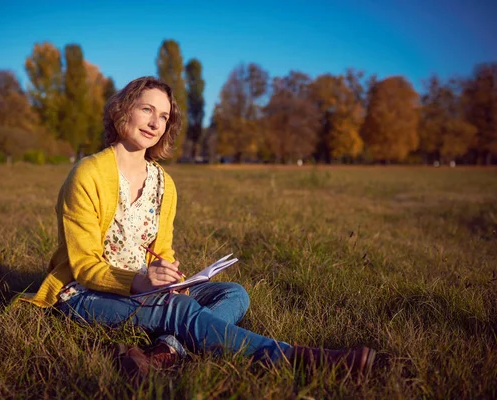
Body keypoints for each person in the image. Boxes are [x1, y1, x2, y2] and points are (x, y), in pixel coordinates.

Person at [19, 76, 376, 378]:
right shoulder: (88, 173)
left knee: (233, 293)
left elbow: (163, 250)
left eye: (164, 116)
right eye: (146, 109)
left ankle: (163, 353)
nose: (155, 123)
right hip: (85, 294)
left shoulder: (164, 183)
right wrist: (140, 282)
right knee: (180, 312)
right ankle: (295, 358)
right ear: (122, 110)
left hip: (146, 290)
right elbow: (83, 267)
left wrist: (174, 280)